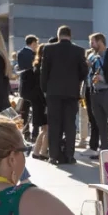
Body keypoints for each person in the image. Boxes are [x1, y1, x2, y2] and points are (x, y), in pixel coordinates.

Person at [40, 25, 89, 164]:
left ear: (58, 34)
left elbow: (44, 72)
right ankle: (69, 155)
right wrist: (75, 80)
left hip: (53, 92)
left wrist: (45, 89)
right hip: (71, 92)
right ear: (70, 35)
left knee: (54, 123)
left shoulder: (48, 49)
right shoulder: (79, 51)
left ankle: (54, 155)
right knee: (70, 124)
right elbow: (84, 72)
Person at [16, 35, 39, 141]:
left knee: (24, 112)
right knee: (35, 111)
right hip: (34, 87)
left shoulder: (20, 53)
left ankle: (25, 132)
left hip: (24, 87)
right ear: (33, 43)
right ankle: (35, 133)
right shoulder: (34, 55)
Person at [31, 44, 49, 160]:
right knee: (48, 128)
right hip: (44, 101)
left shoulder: (36, 66)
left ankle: (37, 151)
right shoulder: (44, 67)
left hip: (37, 101)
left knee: (44, 128)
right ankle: (42, 152)